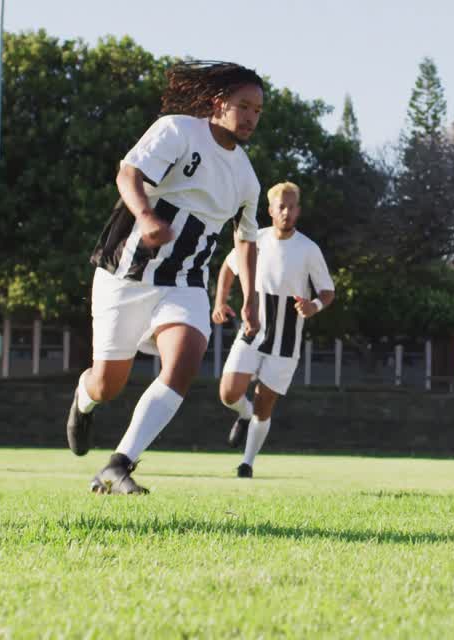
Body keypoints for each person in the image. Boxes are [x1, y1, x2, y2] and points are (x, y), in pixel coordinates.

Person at [66, 61, 265, 494]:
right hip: (126, 274)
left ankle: (119, 465)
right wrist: (147, 216)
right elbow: (129, 174)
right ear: (218, 103)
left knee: (183, 363)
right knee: (108, 383)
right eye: (242, 106)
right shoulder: (177, 131)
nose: (250, 117)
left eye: (257, 111)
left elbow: (245, 241)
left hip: (185, 283)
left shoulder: (247, 179)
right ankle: (84, 400)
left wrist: (249, 298)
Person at [214, 182, 335, 478]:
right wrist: (219, 302)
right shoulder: (254, 239)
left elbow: (327, 291)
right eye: (281, 207)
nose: (287, 212)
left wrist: (314, 306)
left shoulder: (309, 248)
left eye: (292, 207)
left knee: (265, 401)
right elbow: (229, 268)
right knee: (229, 393)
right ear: (270, 210)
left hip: (287, 336)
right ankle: (242, 415)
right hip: (253, 328)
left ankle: (247, 463)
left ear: (299, 210)